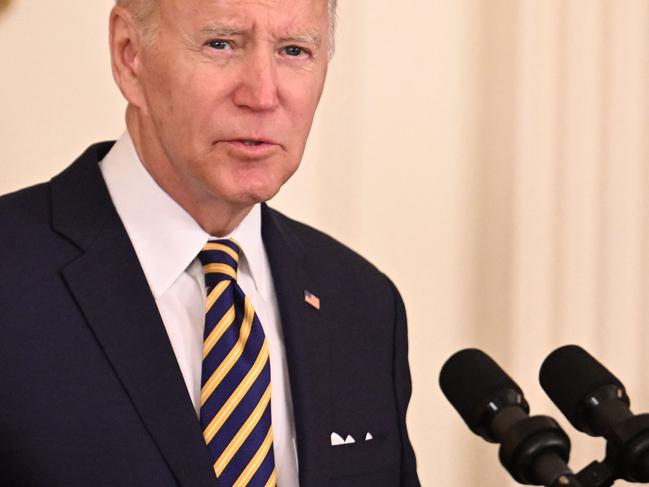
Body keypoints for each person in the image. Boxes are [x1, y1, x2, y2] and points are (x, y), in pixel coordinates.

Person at [0, 0, 420, 485]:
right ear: (129, 54)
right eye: (220, 44)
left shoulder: (364, 305)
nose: (263, 94)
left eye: (294, 50)